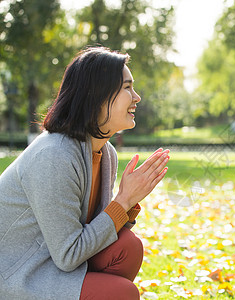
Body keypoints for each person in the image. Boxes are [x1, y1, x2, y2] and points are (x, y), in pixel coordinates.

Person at [0, 47, 170, 300]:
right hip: (19, 274)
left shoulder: (105, 153)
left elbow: (95, 231)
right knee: (122, 294)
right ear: (96, 95)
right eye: (127, 87)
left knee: (127, 247)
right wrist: (122, 201)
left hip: (54, 261)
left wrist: (129, 201)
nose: (137, 97)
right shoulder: (53, 155)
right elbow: (69, 254)